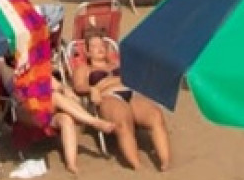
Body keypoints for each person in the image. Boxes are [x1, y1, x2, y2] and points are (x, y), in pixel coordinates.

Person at [69, 25, 171, 172]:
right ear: (87, 51)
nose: (100, 48)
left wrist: (102, 84)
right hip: (109, 98)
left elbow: (136, 77)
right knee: (123, 121)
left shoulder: (117, 63)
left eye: (102, 45)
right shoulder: (84, 69)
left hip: (130, 93)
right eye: (94, 46)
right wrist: (92, 89)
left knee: (155, 116)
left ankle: (165, 162)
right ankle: (137, 165)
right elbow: (78, 87)